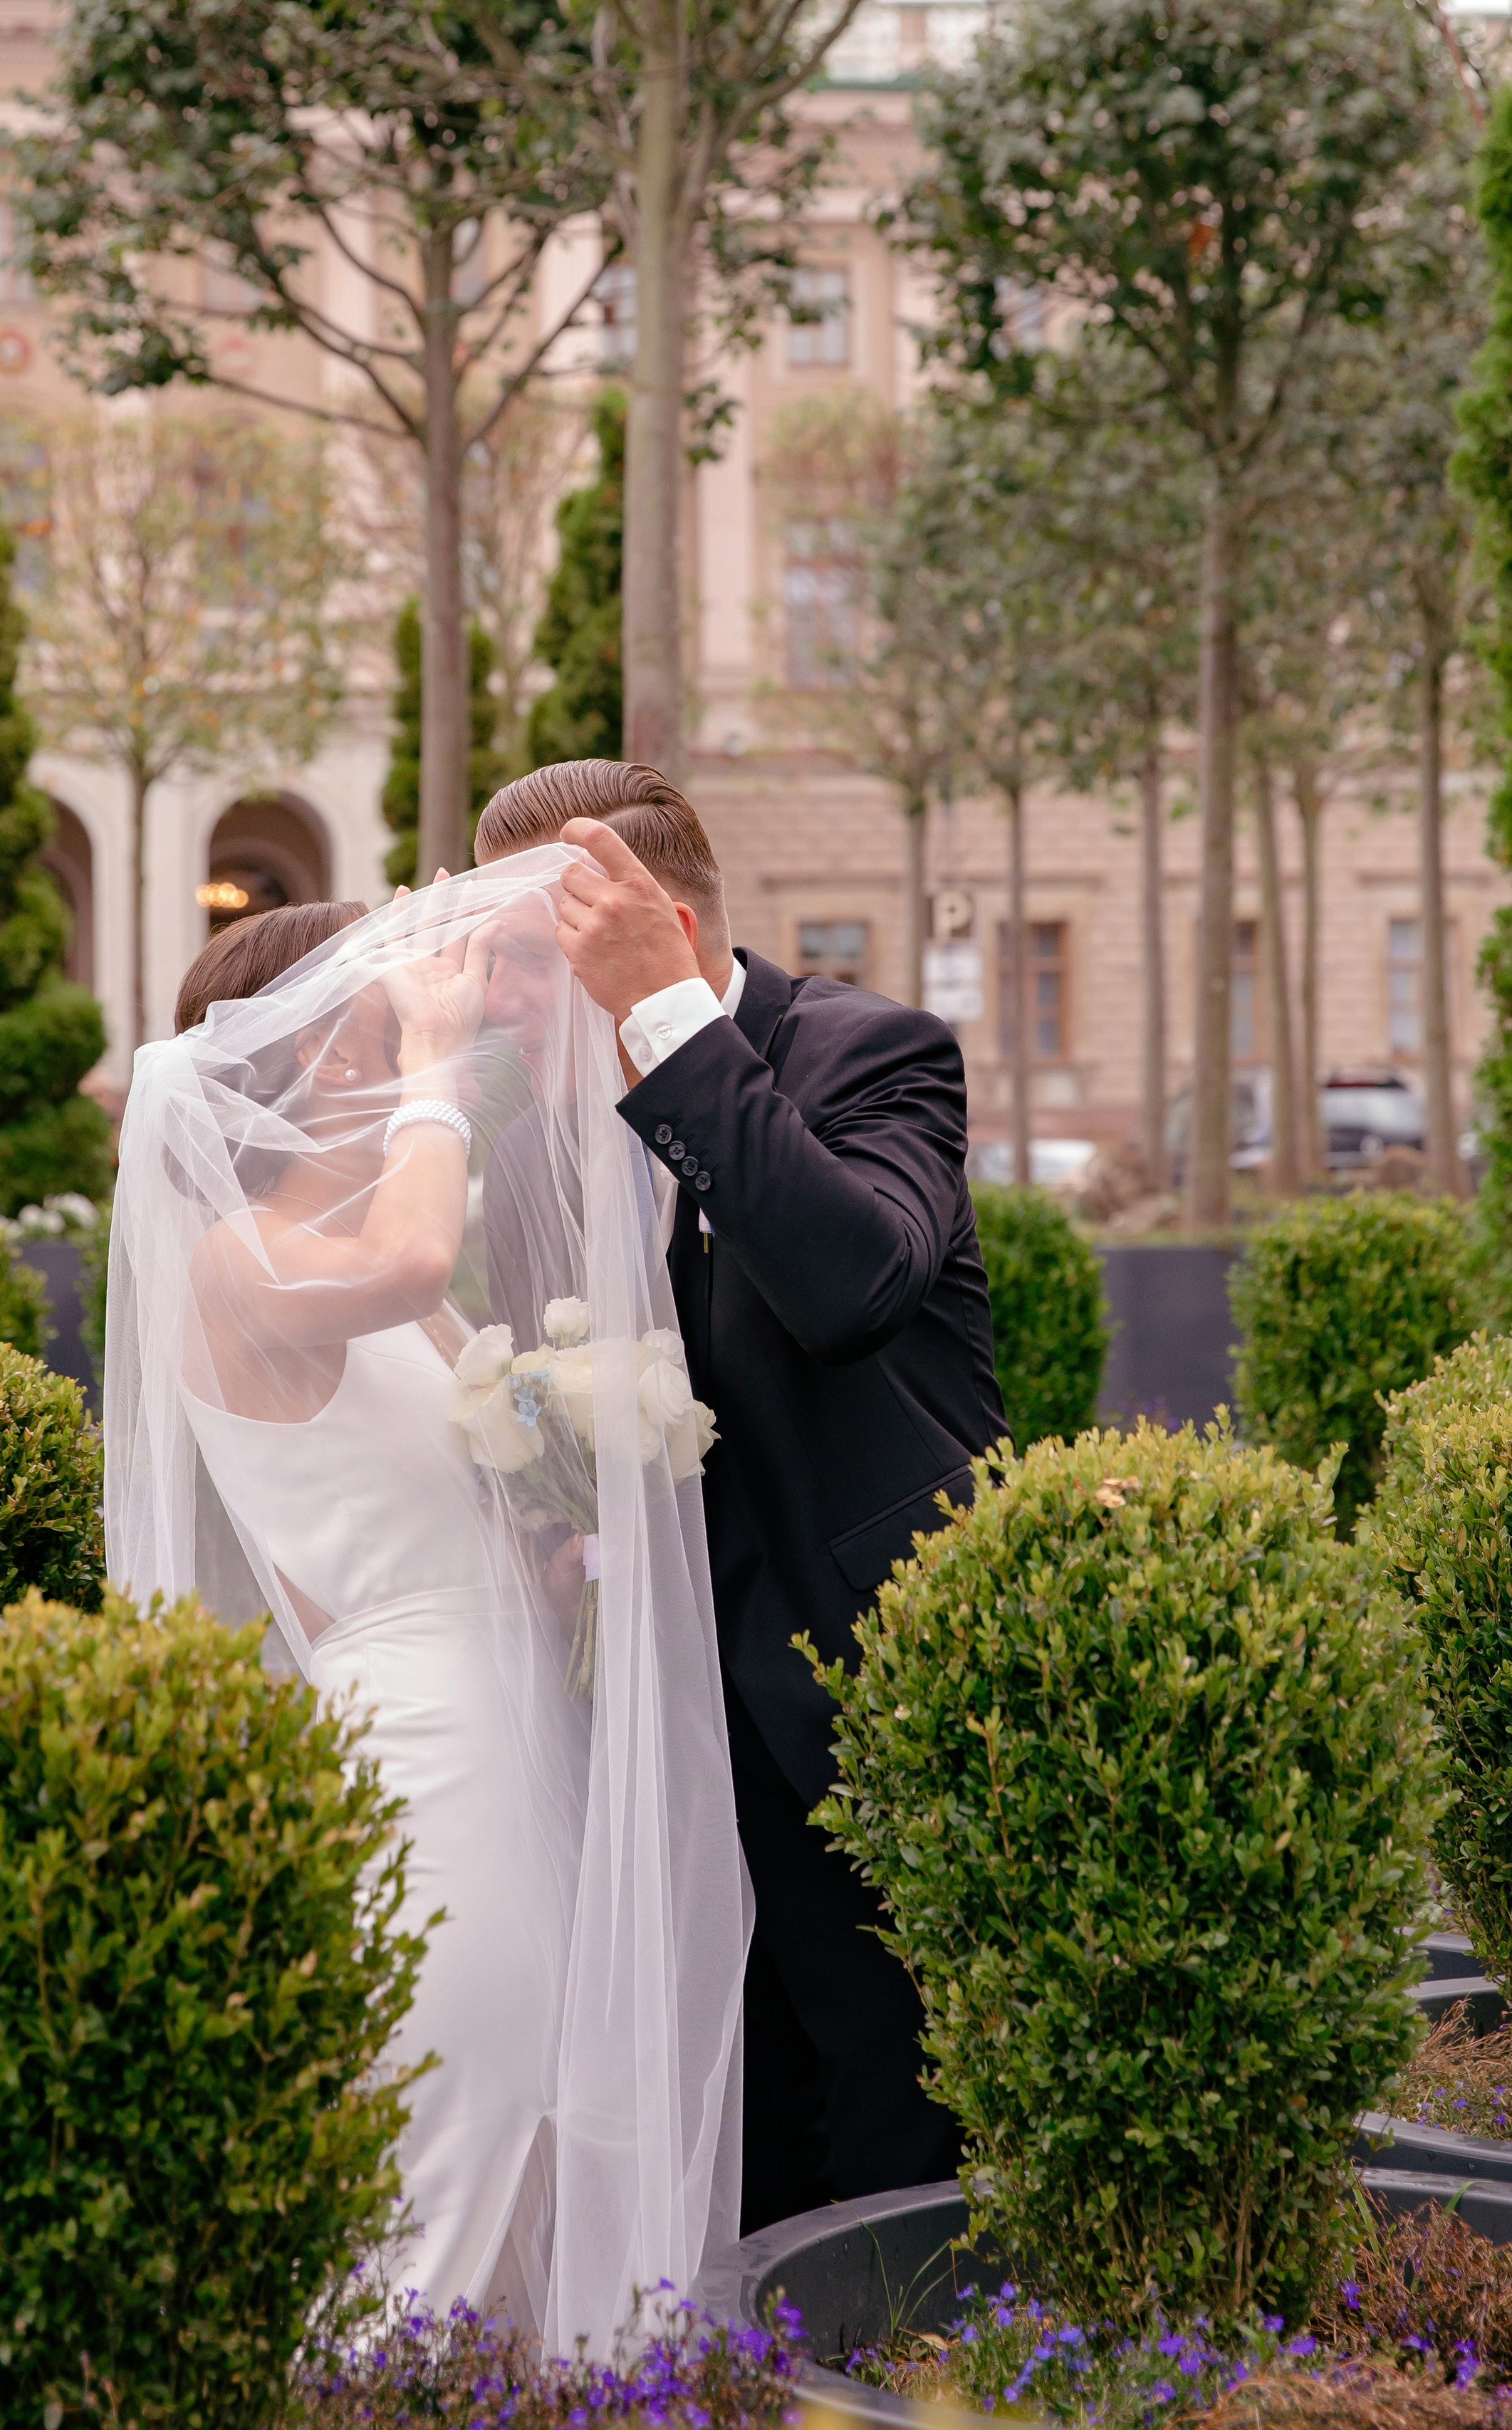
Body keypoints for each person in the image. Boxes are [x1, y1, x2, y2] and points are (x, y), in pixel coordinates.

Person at [103, 871, 746, 2352]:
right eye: (382, 999)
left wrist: (572, 1512)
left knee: (531, 2108)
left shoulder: (388, 1289)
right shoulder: (238, 1261)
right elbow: (402, 1247)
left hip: (509, 1713)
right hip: (423, 1753)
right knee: (452, 2125)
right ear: (333, 1053)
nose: (430, 1002)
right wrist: (434, 1069)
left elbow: (463, 1473)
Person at [475, 760, 1010, 2235]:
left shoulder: (868, 1055)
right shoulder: (529, 1155)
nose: (496, 1003)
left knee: (895, 2116)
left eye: (526, 959)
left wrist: (667, 1030)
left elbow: (847, 1284)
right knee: (738, 2130)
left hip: (869, 1690)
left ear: (662, 925)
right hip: (656, 1726)